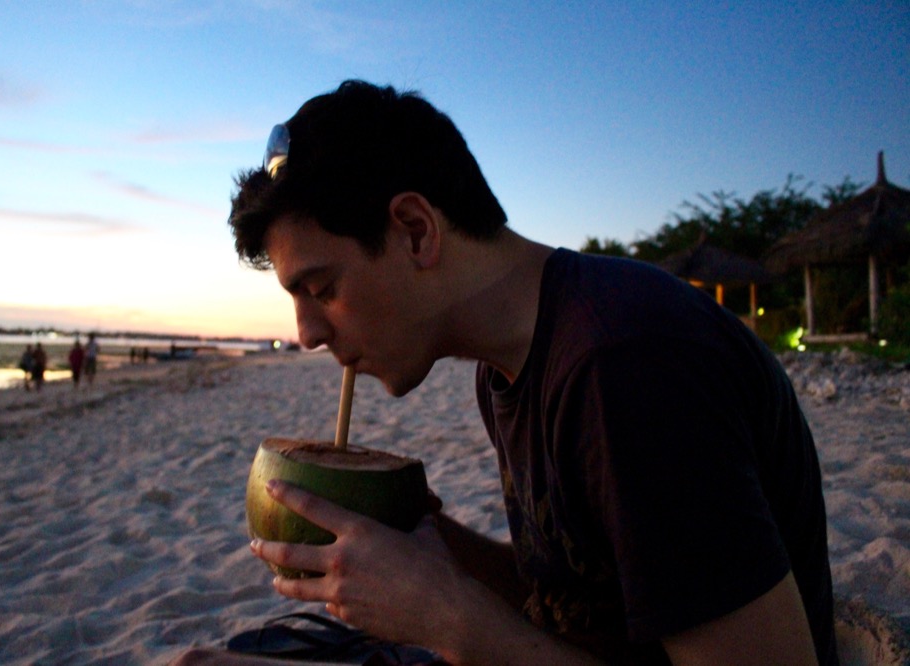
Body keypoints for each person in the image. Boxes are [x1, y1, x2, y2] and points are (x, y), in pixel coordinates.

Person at [174, 81, 836, 665]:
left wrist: (450, 619)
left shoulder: (623, 364)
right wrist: (437, 545)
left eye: (322, 289)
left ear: (415, 230)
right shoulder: (509, 368)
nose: (307, 334)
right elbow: (586, 611)